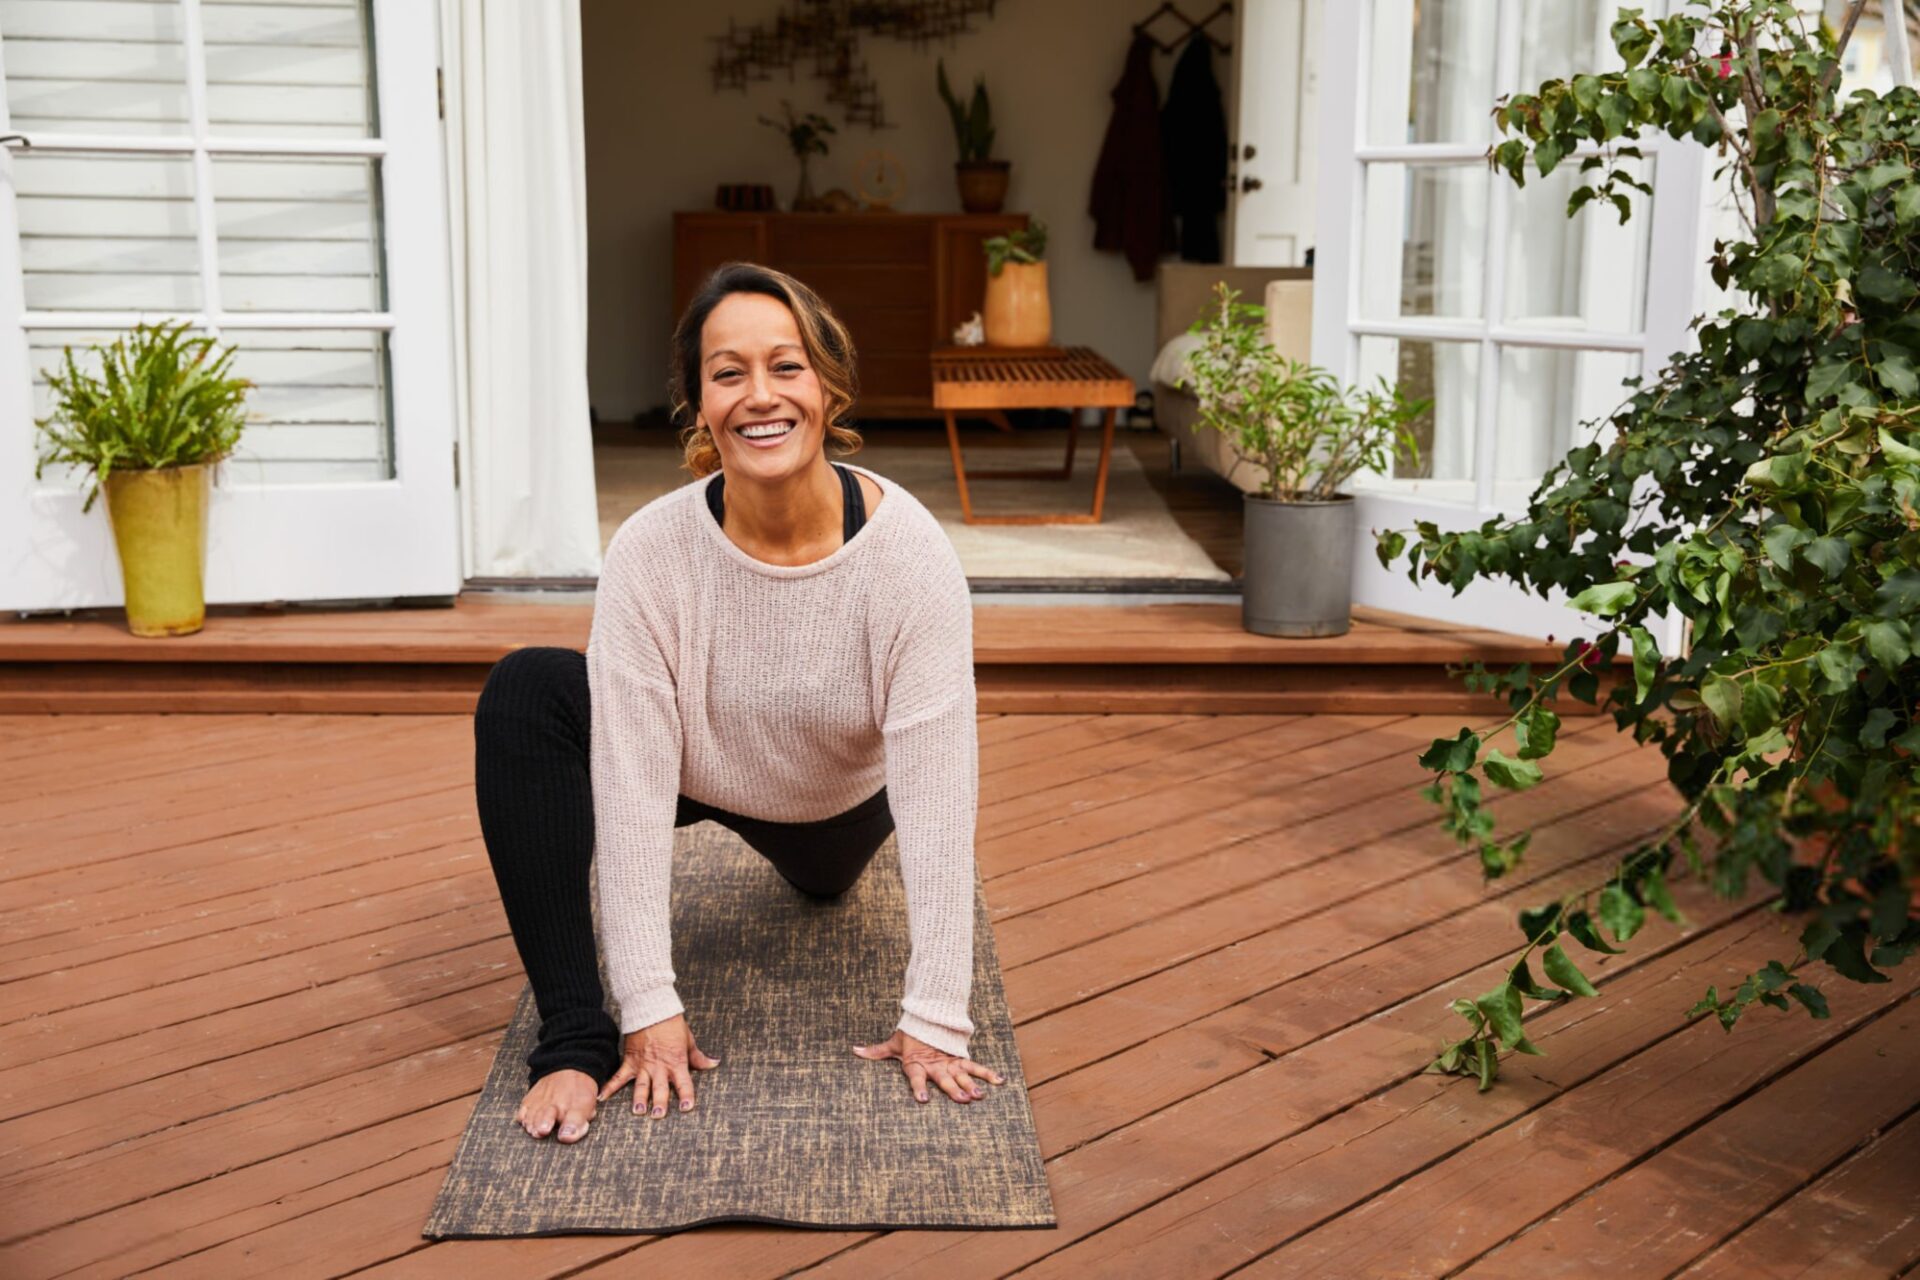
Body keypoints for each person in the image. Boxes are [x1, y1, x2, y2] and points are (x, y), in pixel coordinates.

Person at [473, 262, 1002, 1145]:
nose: (761, 396)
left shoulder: (909, 556)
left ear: (829, 388)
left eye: (787, 367)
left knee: (829, 881)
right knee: (529, 687)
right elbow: (634, 787)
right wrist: (645, 1004)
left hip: (833, 809)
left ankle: (824, 870)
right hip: (700, 765)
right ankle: (570, 1034)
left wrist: (939, 1009)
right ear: (698, 404)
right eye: (728, 373)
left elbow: (938, 794)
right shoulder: (649, 551)